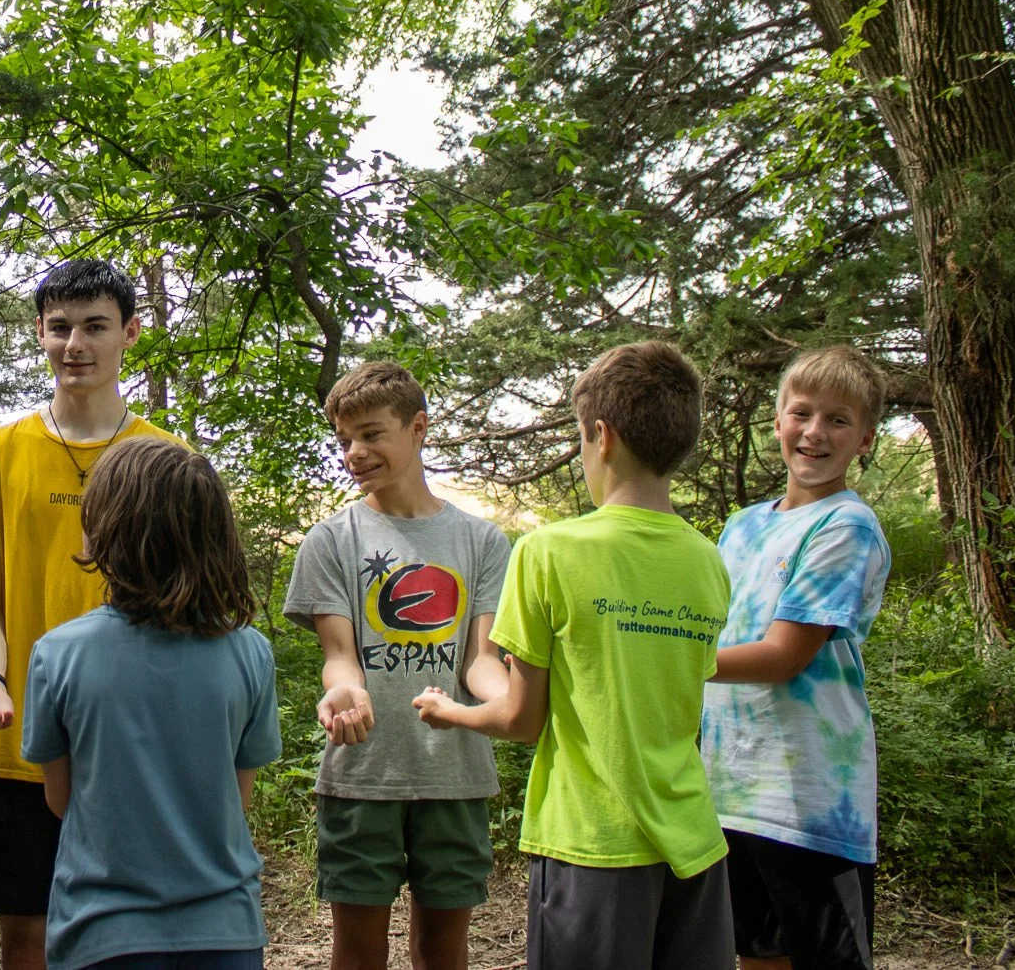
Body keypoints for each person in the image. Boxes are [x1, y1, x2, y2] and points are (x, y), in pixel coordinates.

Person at [416, 341, 734, 970]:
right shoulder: (708, 561)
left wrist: (448, 711)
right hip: (696, 844)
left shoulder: (549, 552)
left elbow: (522, 719)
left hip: (592, 845)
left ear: (601, 436)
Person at [0, 259, 182, 970]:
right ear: (40, 332)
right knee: (27, 937)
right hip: (21, 737)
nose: (75, 344)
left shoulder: (168, 460)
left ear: (130, 333)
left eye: (95, 326)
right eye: (60, 327)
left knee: (134, 937)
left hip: (133, 743)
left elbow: (181, 608)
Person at [281, 361, 512, 970]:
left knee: (443, 948)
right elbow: (341, 658)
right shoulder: (331, 540)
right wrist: (346, 693)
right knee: (358, 950)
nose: (354, 453)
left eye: (371, 434)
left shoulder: (483, 542)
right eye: (344, 440)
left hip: (456, 775)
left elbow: (481, 660)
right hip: (363, 773)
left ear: (418, 428)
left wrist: (503, 704)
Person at [22, 438, 282, 970]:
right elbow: (238, 798)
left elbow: (61, 799)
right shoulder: (250, 650)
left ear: (106, 530)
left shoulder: (58, 653)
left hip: (101, 929)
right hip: (226, 930)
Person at [701, 347, 893, 970]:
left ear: (865, 439)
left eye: (838, 420)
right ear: (778, 420)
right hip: (729, 788)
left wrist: (662, 660)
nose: (815, 432)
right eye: (802, 413)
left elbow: (784, 656)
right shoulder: (741, 526)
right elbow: (712, 629)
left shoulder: (847, 525)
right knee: (756, 955)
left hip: (810, 798)